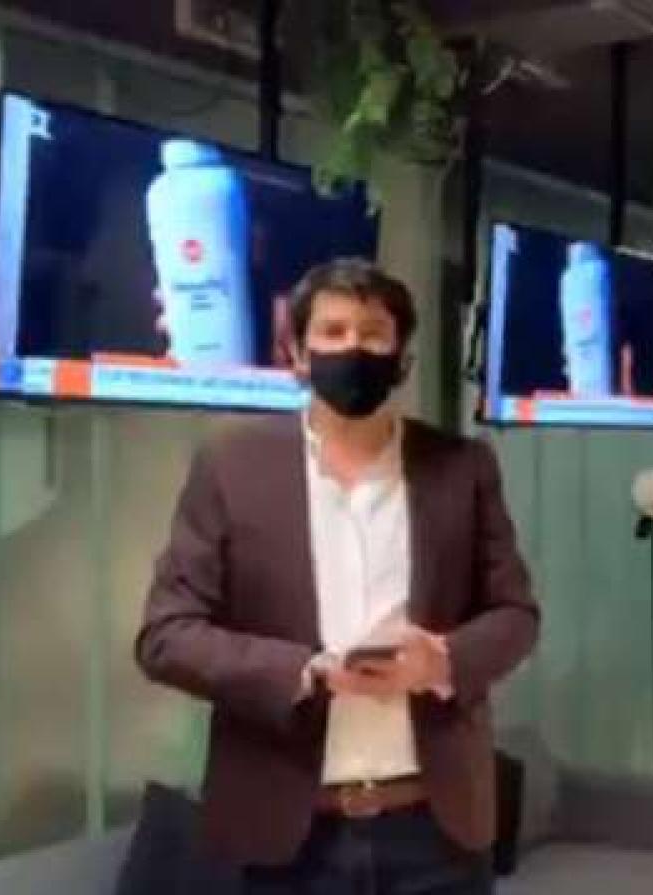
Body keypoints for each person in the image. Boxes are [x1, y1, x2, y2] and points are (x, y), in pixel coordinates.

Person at [137, 258, 539, 894]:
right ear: (297, 354)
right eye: (333, 332)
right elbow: (166, 636)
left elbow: (516, 615)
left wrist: (442, 662)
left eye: (373, 334)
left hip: (437, 831)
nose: (353, 348)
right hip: (285, 838)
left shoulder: (462, 467)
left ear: (403, 358)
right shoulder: (231, 465)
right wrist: (305, 672)